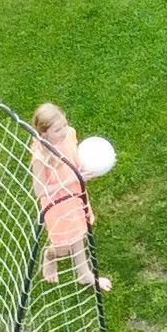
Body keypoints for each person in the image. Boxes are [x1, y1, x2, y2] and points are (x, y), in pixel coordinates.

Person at [27, 102, 116, 291]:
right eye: (58, 130)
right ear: (44, 133)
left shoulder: (69, 134)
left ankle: (84, 275)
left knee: (79, 232)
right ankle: (49, 256)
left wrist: (87, 168)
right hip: (57, 203)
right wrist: (72, 179)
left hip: (75, 194)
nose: (64, 131)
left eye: (65, 124)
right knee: (63, 248)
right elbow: (40, 191)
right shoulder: (40, 156)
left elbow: (73, 159)